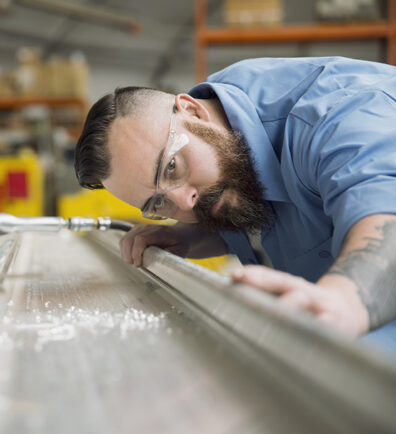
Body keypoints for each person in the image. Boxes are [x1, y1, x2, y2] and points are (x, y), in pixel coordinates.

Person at [74, 56, 396, 343]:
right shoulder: (223, 136)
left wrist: (345, 302)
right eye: (158, 203)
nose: (186, 204)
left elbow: (387, 226)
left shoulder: (334, 118)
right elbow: (257, 213)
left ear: (192, 110)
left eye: (171, 167)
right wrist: (188, 237)